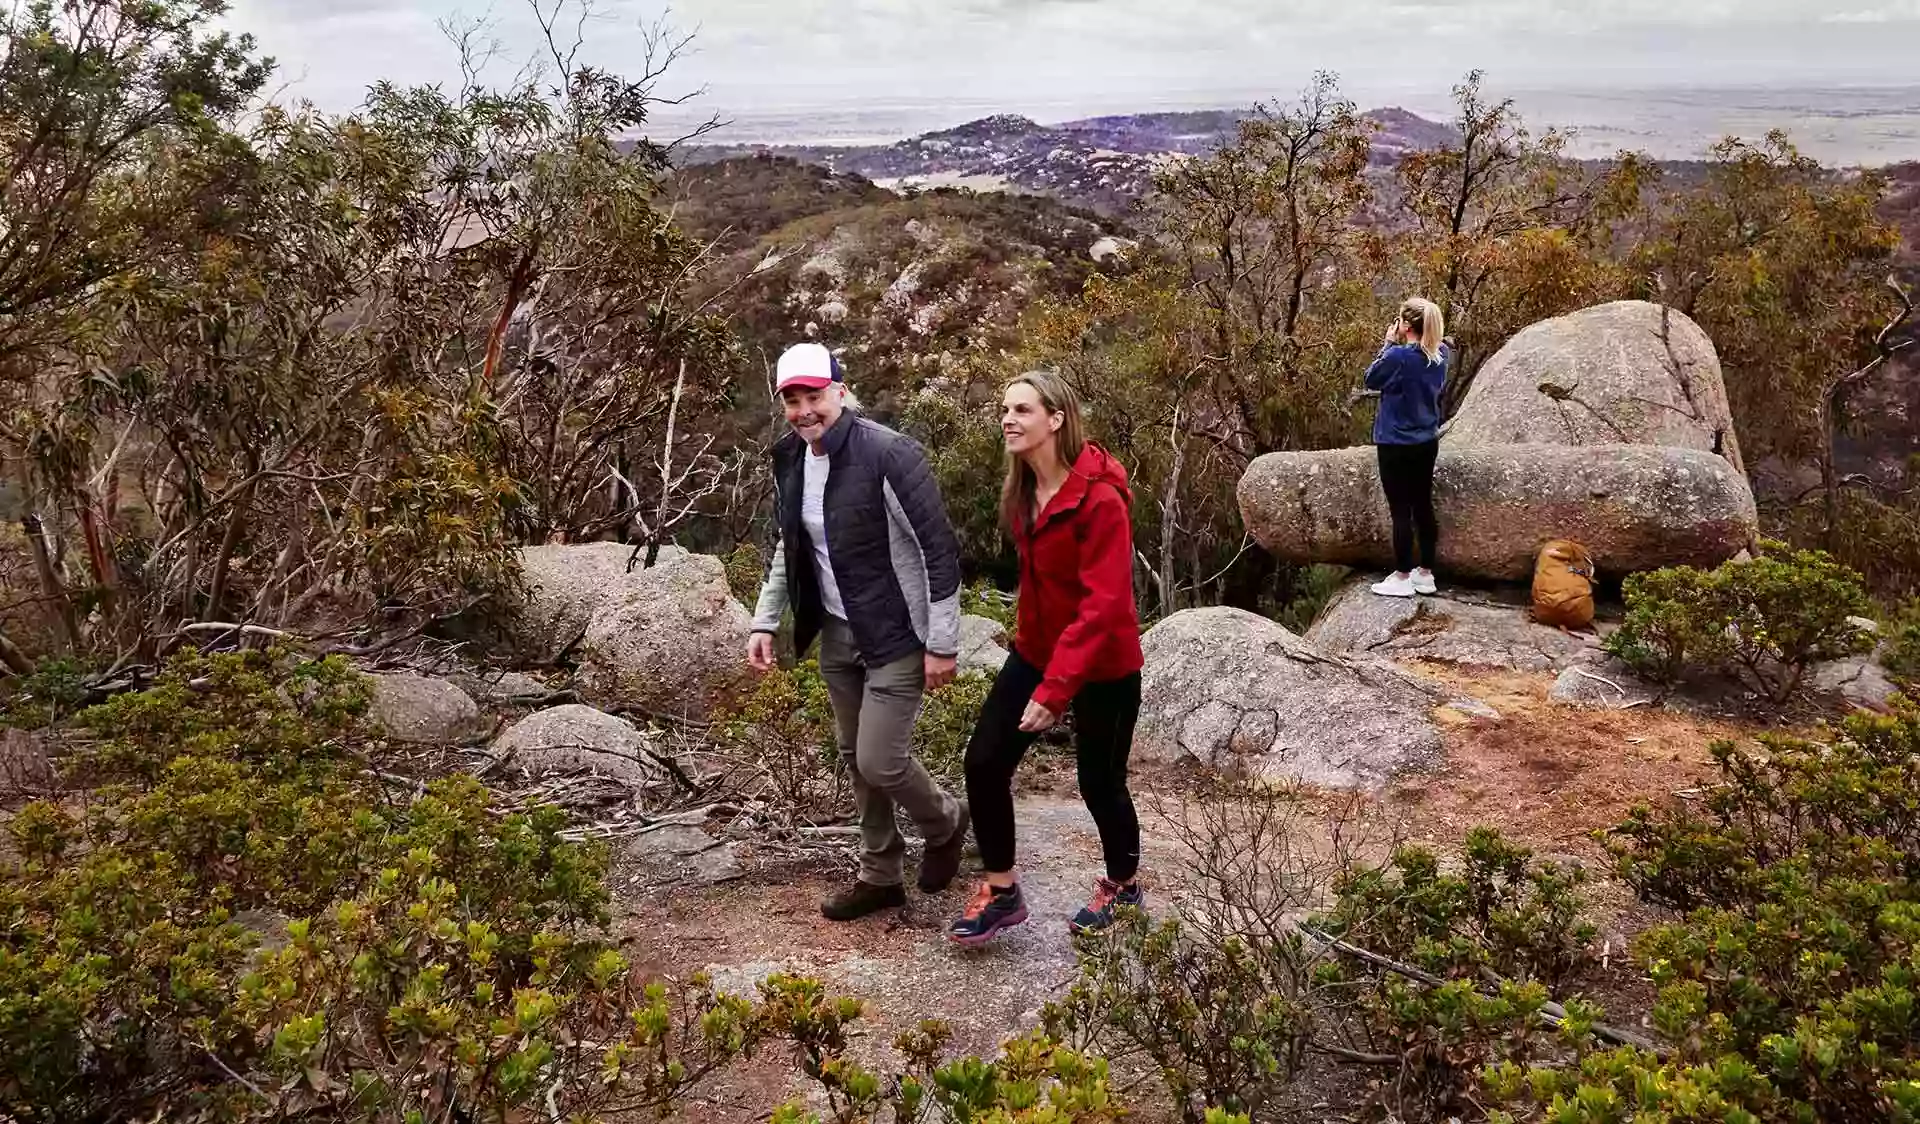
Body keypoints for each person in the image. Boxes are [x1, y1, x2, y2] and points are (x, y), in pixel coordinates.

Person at [746, 341, 971, 921]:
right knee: (853, 755)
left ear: (840, 392)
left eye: (814, 396)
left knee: (880, 759)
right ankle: (880, 873)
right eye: (792, 400)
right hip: (839, 632)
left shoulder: (889, 455)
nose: (803, 410)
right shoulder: (791, 458)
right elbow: (789, 548)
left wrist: (943, 642)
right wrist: (765, 619)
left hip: (897, 631)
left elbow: (937, 553)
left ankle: (945, 821)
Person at [949, 370, 1146, 947]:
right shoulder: (1022, 492)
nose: (1008, 419)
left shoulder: (1101, 500)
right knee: (983, 763)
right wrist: (1033, 663)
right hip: (1036, 653)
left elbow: (1104, 604)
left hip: (1104, 664)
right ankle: (1002, 890)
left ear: (1056, 419)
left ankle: (1124, 883)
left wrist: (1055, 690)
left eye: (1022, 410)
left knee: (1099, 781)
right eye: (1005, 409)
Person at [1364, 297, 1449, 598]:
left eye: (1400, 320)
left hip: (1395, 443)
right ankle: (1425, 573)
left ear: (1406, 325)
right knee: (1422, 505)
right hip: (1426, 441)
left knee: (1400, 509)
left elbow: (1371, 379)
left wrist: (1388, 343)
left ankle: (1401, 575)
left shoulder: (1399, 356)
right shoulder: (1441, 353)